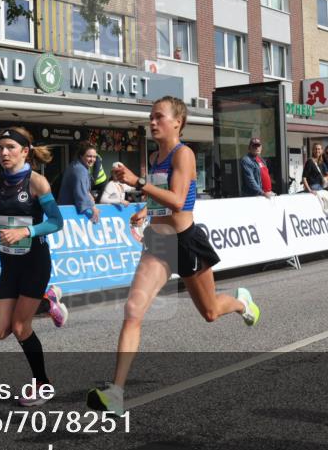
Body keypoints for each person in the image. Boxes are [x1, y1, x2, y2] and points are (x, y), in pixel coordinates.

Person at [87, 97, 259, 416]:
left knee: (209, 312)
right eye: (150, 117)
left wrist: (137, 184)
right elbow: (162, 201)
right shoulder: (156, 156)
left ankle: (241, 303)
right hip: (160, 243)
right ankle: (116, 392)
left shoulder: (185, 154)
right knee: (133, 310)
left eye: (158, 117)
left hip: (187, 241)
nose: (152, 122)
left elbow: (179, 201)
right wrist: (144, 211)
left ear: (177, 122)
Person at [0, 127, 67, 407]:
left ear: (25, 151)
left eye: (10, 148)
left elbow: (56, 221)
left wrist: (25, 232)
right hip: (9, 265)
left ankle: (42, 384)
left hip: (34, 263)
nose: (4, 153)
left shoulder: (37, 183)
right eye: (0, 148)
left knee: (19, 327)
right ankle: (46, 299)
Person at [58, 142, 100, 223]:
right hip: (69, 214)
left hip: (65, 210)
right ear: (81, 156)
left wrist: (88, 194)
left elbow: (83, 189)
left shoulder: (77, 166)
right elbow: (80, 193)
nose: (92, 159)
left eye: (94, 157)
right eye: (89, 156)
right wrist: (93, 208)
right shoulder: (80, 170)